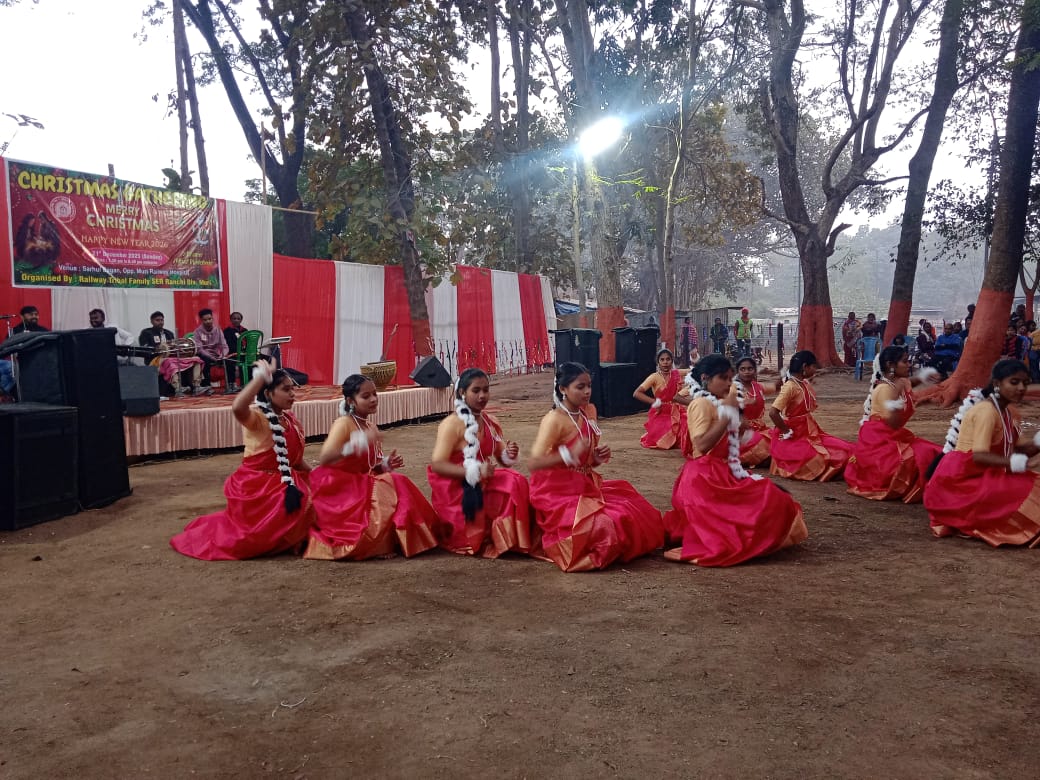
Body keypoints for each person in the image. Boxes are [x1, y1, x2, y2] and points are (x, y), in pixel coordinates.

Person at [662, 354, 806, 567]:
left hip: (721, 472)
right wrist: (728, 414)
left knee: (776, 496)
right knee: (766, 502)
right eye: (723, 378)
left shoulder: (718, 402)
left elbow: (728, 443)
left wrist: (737, 425)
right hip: (704, 479)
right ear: (705, 378)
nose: (729, 383)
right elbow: (701, 445)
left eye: (730, 378)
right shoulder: (700, 404)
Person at [527, 362, 664, 572]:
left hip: (584, 483)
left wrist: (596, 458)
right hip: (555, 489)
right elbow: (534, 463)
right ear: (563, 389)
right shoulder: (553, 420)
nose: (587, 391)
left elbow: (586, 460)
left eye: (589, 385)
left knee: (634, 508)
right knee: (607, 525)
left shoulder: (587, 412)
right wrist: (567, 455)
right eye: (580, 387)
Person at [170, 363, 314, 559]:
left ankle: (291, 538)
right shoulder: (258, 419)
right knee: (298, 502)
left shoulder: (290, 420)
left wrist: (318, 475)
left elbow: (295, 461)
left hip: (284, 481)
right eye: (286, 389)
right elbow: (238, 406)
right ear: (269, 394)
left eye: (293, 389)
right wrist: (260, 378)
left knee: (313, 496)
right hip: (258, 486)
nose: (292, 394)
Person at [305, 374, 440, 560]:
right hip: (338, 487)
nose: (374, 399)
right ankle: (390, 540)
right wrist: (358, 442)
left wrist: (383, 465)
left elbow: (367, 464)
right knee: (394, 483)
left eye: (375, 394)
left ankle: (408, 536)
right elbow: (326, 458)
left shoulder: (368, 424)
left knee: (394, 481)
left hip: (359, 482)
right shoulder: (343, 423)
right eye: (366, 396)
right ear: (351, 401)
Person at [924, 359, 1040, 546]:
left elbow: (1024, 449)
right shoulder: (986, 411)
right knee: (1029, 491)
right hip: (962, 482)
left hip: (983, 475)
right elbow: (979, 456)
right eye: (1014, 382)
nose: (1021, 388)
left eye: (1025, 384)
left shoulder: (1006, 412)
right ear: (996, 384)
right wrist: (1016, 463)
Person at [428, 368, 538, 558]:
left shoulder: (489, 421)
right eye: (476, 390)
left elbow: (502, 458)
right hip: (457, 488)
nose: (482, 396)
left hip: (482, 481)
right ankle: (499, 536)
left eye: (486, 390)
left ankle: (510, 539)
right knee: (512, 482)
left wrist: (509, 454)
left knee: (515, 480)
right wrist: (475, 472)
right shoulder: (451, 424)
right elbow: (437, 465)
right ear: (463, 393)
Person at [845, 346, 942, 503]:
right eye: (905, 362)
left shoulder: (896, 382)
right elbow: (894, 422)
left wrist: (923, 378)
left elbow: (908, 383)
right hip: (880, 443)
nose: (909, 365)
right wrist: (899, 403)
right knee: (926, 455)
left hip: (892, 436)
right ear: (891, 365)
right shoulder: (885, 389)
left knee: (935, 452)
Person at [768, 350, 853, 481]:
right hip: (796, 434)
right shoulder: (790, 387)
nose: (815, 370)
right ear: (804, 367)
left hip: (809, 430)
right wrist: (786, 431)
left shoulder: (803, 383)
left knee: (845, 448)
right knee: (828, 456)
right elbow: (773, 412)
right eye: (813, 367)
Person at [633, 348, 690, 451]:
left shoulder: (677, 373)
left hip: (676, 411)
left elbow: (695, 371)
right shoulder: (654, 377)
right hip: (661, 413)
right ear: (658, 362)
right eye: (662, 360)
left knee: (688, 425)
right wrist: (655, 402)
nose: (665, 362)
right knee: (663, 439)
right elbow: (637, 393)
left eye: (668, 359)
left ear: (672, 361)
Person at [139, 311, 206, 397]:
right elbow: (145, 349)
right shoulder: (146, 333)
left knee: (196, 359)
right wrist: (158, 349)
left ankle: (197, 386)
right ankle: (178, 388)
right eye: (157, 320)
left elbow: (175, 347)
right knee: (169, 362)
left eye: (162, 320)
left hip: (172, 358)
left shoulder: (169, 333)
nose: (160, 322)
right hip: (155, 360)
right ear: (151, 321)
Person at [730, 356, 772, 468]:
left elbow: (775, 387)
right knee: (763, 443)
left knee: (778, 439)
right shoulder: (733, 388)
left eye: (750, 369)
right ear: (737, 371)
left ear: (755, 370)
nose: (746, 372)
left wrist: (786, 375)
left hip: (760, 428)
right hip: (741, 431)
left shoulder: (757, 386)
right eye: (742, 369)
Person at [192, 308, 232, 392]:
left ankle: (231, 384)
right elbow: (200, 349)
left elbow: (225, 346)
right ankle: (206, 386)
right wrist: (211, 357)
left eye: (209, 319)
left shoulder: (218, 330)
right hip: (204, 355)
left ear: (212, 318)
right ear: (201, 320)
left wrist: (222, 355)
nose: (208, 321)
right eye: (205, 320)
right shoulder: (197, 332)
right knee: (204, 361)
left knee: (228, 360)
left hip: (217, 355)